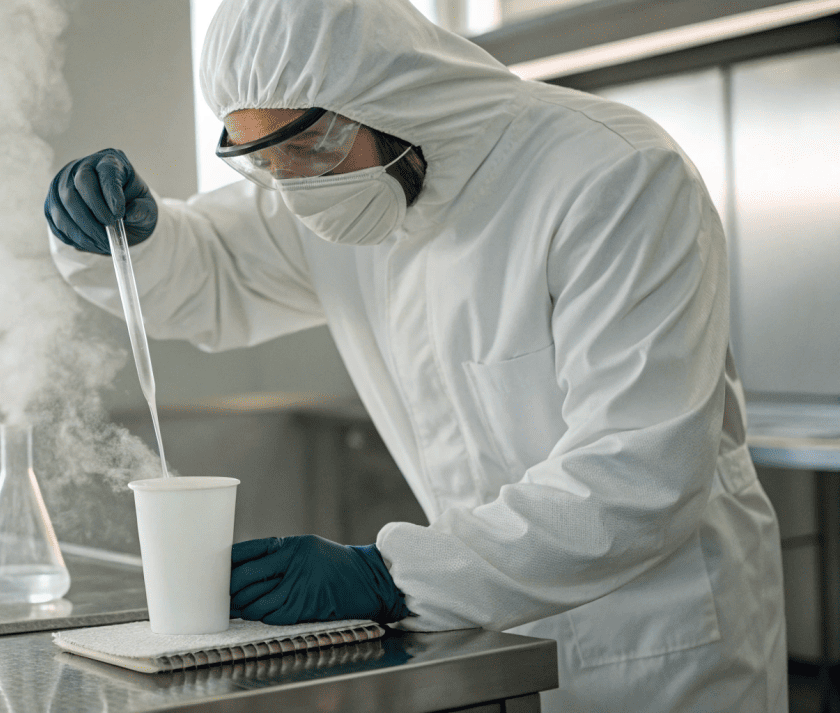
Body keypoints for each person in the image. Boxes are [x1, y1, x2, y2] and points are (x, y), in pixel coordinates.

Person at [43, 0, 787, 709]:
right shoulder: (342, 190)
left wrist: (388, 575)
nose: (295, 187)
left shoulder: (612, 178)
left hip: (657, 648)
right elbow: (213, 274)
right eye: (268, 160)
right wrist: (126, 239)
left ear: (389, 93)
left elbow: (638, 473)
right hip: (485, 632)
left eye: (307, 146)